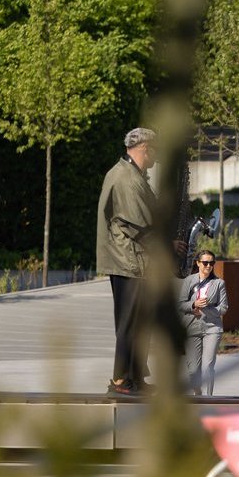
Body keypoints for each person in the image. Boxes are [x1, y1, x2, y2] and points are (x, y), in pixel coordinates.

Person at [97, 127, 158, 396]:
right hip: (128, 261)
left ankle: (135, 378)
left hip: (135, 260)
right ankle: (121, 381)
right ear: (144, 147)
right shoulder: (125, 177)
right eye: (155, 148)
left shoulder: (131, 174)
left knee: (139, 321)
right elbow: (137, 225)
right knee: (129, 322)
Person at [178, 248, 226, 396]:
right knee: (193, 370)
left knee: (208, 366)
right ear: (198, 263)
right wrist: (194, 305)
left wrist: (206, 308)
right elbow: (180, 304)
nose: (208, 266)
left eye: (211, 263)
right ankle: (198, 392)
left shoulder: (219, 283)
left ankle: (209, 398)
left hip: (212, 327)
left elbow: (224, 307)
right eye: (205, 263)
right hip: (192, 326)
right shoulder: (189, 281)